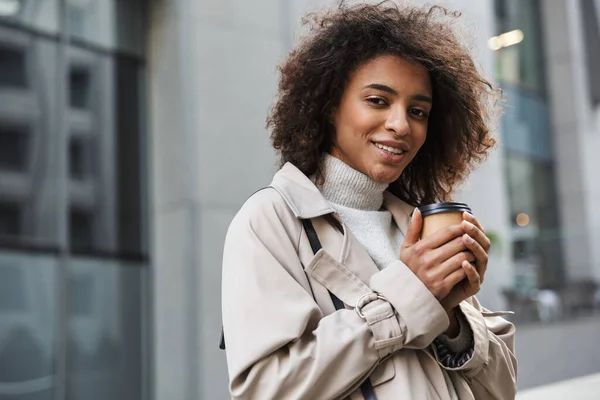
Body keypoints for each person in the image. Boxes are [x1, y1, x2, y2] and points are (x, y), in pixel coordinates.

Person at [221, 3, 517, 399]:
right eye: (378, 100)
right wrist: (408, 295)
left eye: (418, 111)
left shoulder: (420, 225)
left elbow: (503, 390)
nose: (401, 125)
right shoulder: (269, 220)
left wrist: (451, 322)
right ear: (329, 107)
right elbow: (266, 390)